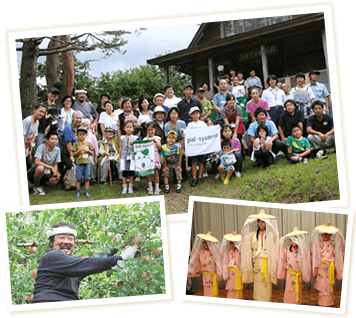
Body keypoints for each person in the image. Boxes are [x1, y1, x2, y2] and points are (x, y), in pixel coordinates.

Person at [30, 222, 138, 303]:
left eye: (70, 238)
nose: (66, 241)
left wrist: (116, 248)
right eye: (61, 237)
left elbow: (93, 259)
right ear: (51, 242)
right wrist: (121, 257)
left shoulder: (71, 268)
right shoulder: (52, 256)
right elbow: (85, 264)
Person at [241, 209, 279, 302]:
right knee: (257, 280)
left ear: (266, 223)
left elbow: (276, 238)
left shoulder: (269, 234)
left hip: (267, 260)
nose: (261, 224)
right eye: (259, 222)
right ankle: (257, 298)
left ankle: (267, 298)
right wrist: (245, 226)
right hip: (257, 261)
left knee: (266, 279)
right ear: (257, 223)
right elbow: (244, 240)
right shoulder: (252, 235)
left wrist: (271, 225)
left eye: (263, 222)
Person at [310, 222, 345, 307]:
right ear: (321, 234)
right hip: (321, 266)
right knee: (322, 284)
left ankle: (329, 302)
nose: (325, 236)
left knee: (329, 284)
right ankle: (321, 302)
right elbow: (313, 252)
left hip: (330, 267)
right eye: (324, 234)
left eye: (327, 234)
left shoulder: (334, 244)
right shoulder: (317, 243)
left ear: (330, 235)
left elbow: (338, 255)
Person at [277, 227, 311, 304]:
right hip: (290, 274)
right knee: (289, 289)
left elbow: (305, 260)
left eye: (295, 240)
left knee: (298, 289)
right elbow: (282, 257)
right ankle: (288, 303)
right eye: (291, 240)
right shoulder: (287, 249)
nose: (293, 242)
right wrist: (282, 243)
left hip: (299, 274)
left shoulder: (302, 250)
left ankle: (297, 303)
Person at [187, 231, 222, 297]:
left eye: (205, 242)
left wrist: (219, 273)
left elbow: (218, 263)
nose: (203, 243)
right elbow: (195, 260)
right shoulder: (200, 252)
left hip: (213, 276)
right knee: (206, 291)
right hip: (205, 276)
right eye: (203, 241)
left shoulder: (214, 252)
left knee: (213, 292)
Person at [27, 131, 61, 196]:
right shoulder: (41, 147)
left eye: (56, 139)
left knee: (55, 180)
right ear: (47, 140)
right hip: (34, 172)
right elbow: (37, 162)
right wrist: (51, 168)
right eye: (52, 139)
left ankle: (41, 186)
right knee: (40, 168)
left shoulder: (57, 150)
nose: (54, 141)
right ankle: (36, 188)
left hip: (46, 173)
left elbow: (55, 164)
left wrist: (55, 173)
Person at [58, 110, 83, 178]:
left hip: (70, 149)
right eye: (77, 118)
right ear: (72, 119)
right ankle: (59, 178)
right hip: (61, 150)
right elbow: (68, 144)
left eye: (80, 118)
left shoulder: (79, 128)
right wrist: (71, 156)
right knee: (69, 165)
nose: (79, 120)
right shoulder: (68, 129)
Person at [71, 126, 95, 198]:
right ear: (77, 135)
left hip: (87, 162)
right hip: (79, 163)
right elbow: (73, 154)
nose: (82, 136)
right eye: (80, 134)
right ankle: (78, 191)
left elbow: (92, 152)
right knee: (78, 178)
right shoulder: (76, 144)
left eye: (83, 134)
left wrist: (88, 150)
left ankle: (86, 191)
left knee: (87, 178)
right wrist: (78, 151)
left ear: (86, 135)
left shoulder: (88, 144)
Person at [186, 107, 207, 187]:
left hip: (202, 146)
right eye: (193, 113)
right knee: (194, 162)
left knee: (202, 162)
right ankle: (194, 178)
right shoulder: (190, 125)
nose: (195, 115)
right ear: (191, 115)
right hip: (194, 147)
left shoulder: (203, 124)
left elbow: (207, 134)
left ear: (199, 114)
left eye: (197, 113)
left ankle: (199, 177)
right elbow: (188, 135)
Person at [23, 103, 47, 169]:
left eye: (43, 112)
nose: (41, 114)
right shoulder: (28, 120)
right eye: (40, 111)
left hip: (27, 148)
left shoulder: (37, 122)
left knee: (28, 166)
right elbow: (22, 135)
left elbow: (33, 137)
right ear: (34, 110)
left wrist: (30, 150)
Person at [220, 232, 243, 299]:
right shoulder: (228, 251)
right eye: (230, 243)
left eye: (232, 243)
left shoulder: (240, 252)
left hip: (237, 271)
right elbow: (223, 256)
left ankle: (238, 299)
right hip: (230, 271)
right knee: (230, 287)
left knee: (237, 287)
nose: (231, 244)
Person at [119, 121, 138, 195]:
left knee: (131, 172)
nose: (128, 129)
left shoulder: (135, 138)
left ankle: (130, 186)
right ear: (124, 128)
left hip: (132, 157)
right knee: (124, 172)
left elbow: (138, 148)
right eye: (127, 127)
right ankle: (124, 187)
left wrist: (133, 145)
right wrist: (119, 157)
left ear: (133, 129)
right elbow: (120, 147)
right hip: (124, 156)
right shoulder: (122, 137)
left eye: (130, 127)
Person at [143, 123, 162, 195]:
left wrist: (156, 142)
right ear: (146, 131)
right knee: (149, 173)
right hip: (147, 157)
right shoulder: (145, 139)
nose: (150, 131)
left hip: (155, 156)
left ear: (155, 130)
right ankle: (150, 187)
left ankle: (157, 188)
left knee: (156, 172)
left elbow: (160, 147)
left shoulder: (157, 138)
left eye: (152, 129)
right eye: (148, 130)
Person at [81, 118, 99, 182]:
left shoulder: (92, 136)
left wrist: (96, 157)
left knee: (90, 161)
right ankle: (82, 178)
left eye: (87, 125)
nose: (86, 127)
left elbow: (96, 147)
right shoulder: (79, 135)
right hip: (80, 153)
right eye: (84, 125)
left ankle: (92, 178)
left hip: (90, 153)